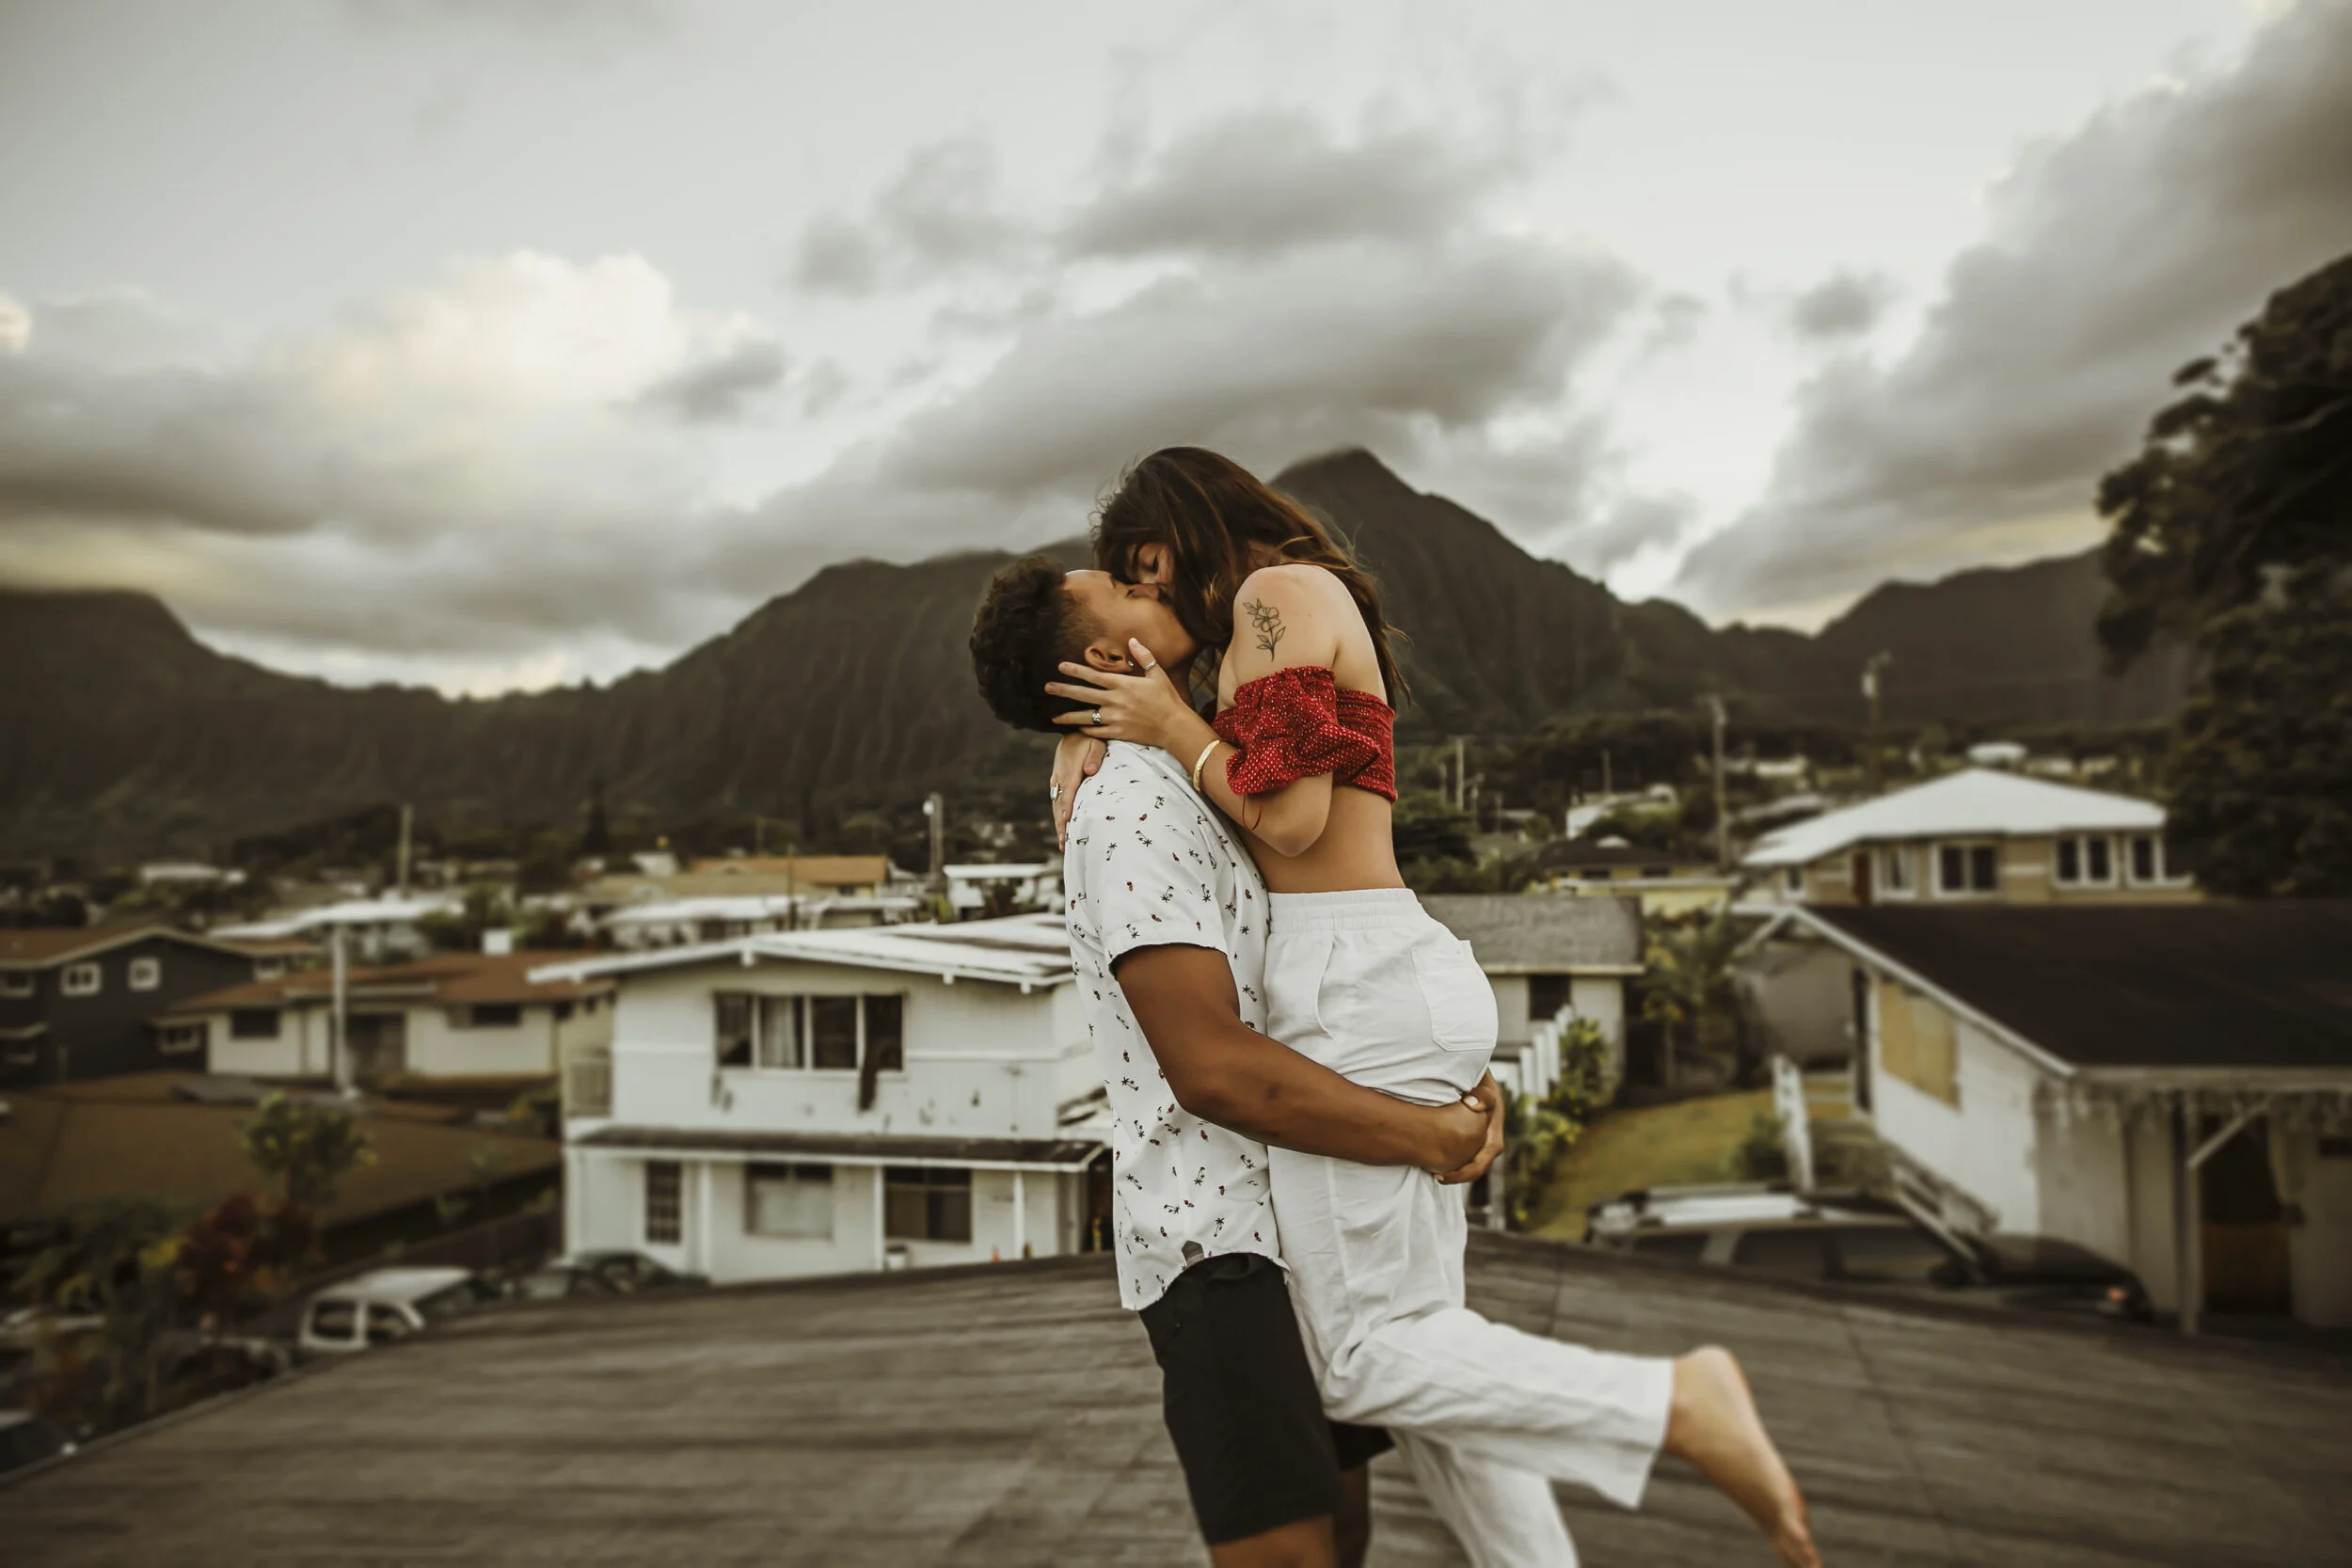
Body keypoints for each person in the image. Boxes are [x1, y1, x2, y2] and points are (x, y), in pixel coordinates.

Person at [1015, 447, 1820, 1568]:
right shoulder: (1271, 616)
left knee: (1364, 1360)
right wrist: (1092, 723)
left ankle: (1672, 1398)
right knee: (1432, 1363)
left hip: (1352, 977)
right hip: (1376, 967)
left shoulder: (1272, 596)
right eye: (1130, 588)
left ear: (1200, 527)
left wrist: (1161, 726)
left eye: (1151, 571)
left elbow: (1287, 818)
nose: (1152, 602)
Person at [972, 558, 1549, 1568]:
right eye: (1132, 585)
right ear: (1108, 653)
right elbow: (1214, 1070)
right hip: (1218, 1247)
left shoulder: (1186, 763)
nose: (1172, 585)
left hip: (1298, 1216)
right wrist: (1427, 1134)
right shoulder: (1129, 811)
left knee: (1346, 1528)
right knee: (1288, 1553)